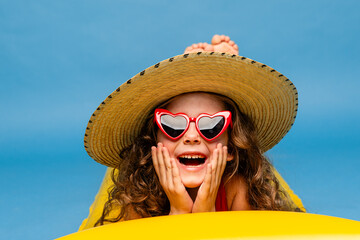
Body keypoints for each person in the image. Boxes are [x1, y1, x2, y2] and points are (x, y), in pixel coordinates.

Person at [81, 35, 305, 228]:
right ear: (153, 143)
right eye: (173, 125)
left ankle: (216, 67)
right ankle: (210, 66)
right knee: (120, 170)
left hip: (229, 161)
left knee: (262, 173)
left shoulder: (236, 187)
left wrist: (206, 213)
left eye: (210, 126)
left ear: (231, 149)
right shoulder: (139, 196)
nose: (191, 136)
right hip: (150, 169)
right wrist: (177, 211)